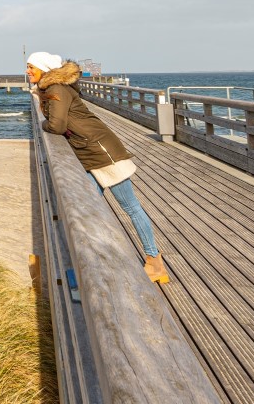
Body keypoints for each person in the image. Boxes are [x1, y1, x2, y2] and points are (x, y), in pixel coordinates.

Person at [26, 51, 169, 284]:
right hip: (89, 151)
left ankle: (155, 262)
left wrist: (44, 123)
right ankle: (87, 262)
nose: (27, 71)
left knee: (131, 207)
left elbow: (57, 125)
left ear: (43, 68)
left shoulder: (56, 89)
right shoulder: (50, 89)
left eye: (31, 66)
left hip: (102, 151)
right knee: (84, 207)